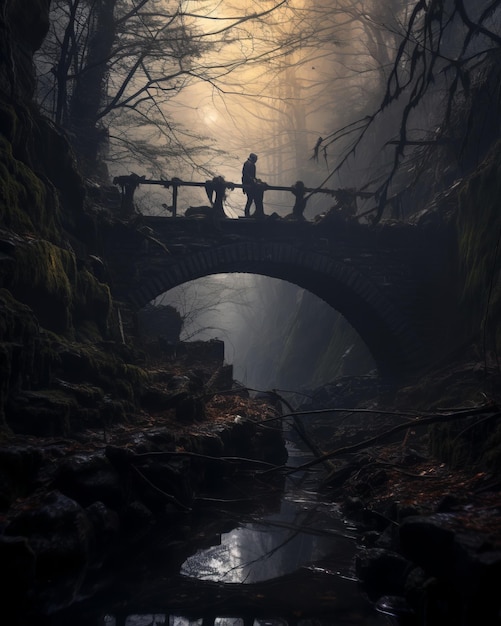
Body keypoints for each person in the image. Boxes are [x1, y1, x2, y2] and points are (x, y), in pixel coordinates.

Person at [242, 153, 265, 218]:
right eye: (256, 159)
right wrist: (253, 180)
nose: (256, 161)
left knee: (250, 199)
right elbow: (246, 175)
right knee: (250, 199)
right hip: (249, 185)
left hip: (248, 184)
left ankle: (249, 214)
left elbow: (250, 175)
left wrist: (255, 179)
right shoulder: (249, 164)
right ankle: (247, 214)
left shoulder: (249, 164)